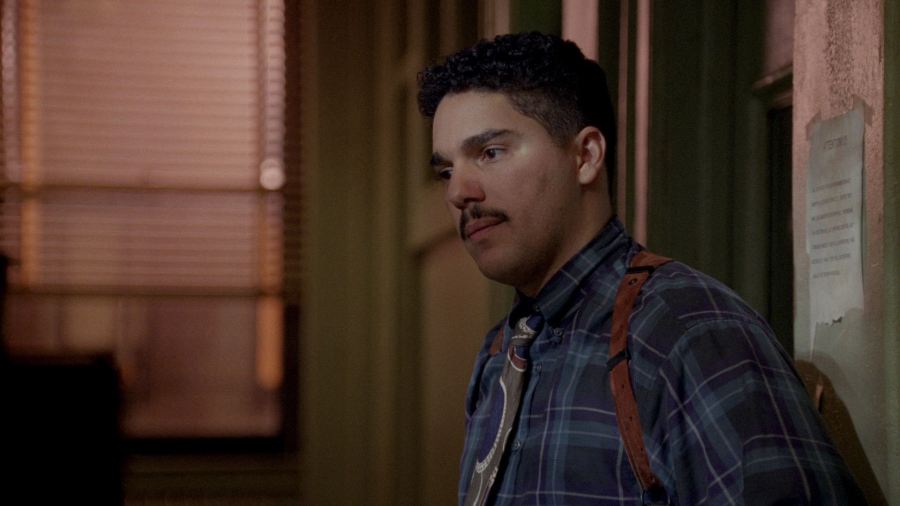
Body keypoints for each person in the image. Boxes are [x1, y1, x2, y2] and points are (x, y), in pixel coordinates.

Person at [417, 32, 864, 505]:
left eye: (490, 153)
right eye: (446, 171)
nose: (458, 192)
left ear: (586, 156)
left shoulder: (686, 331)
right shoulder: (499, 354)